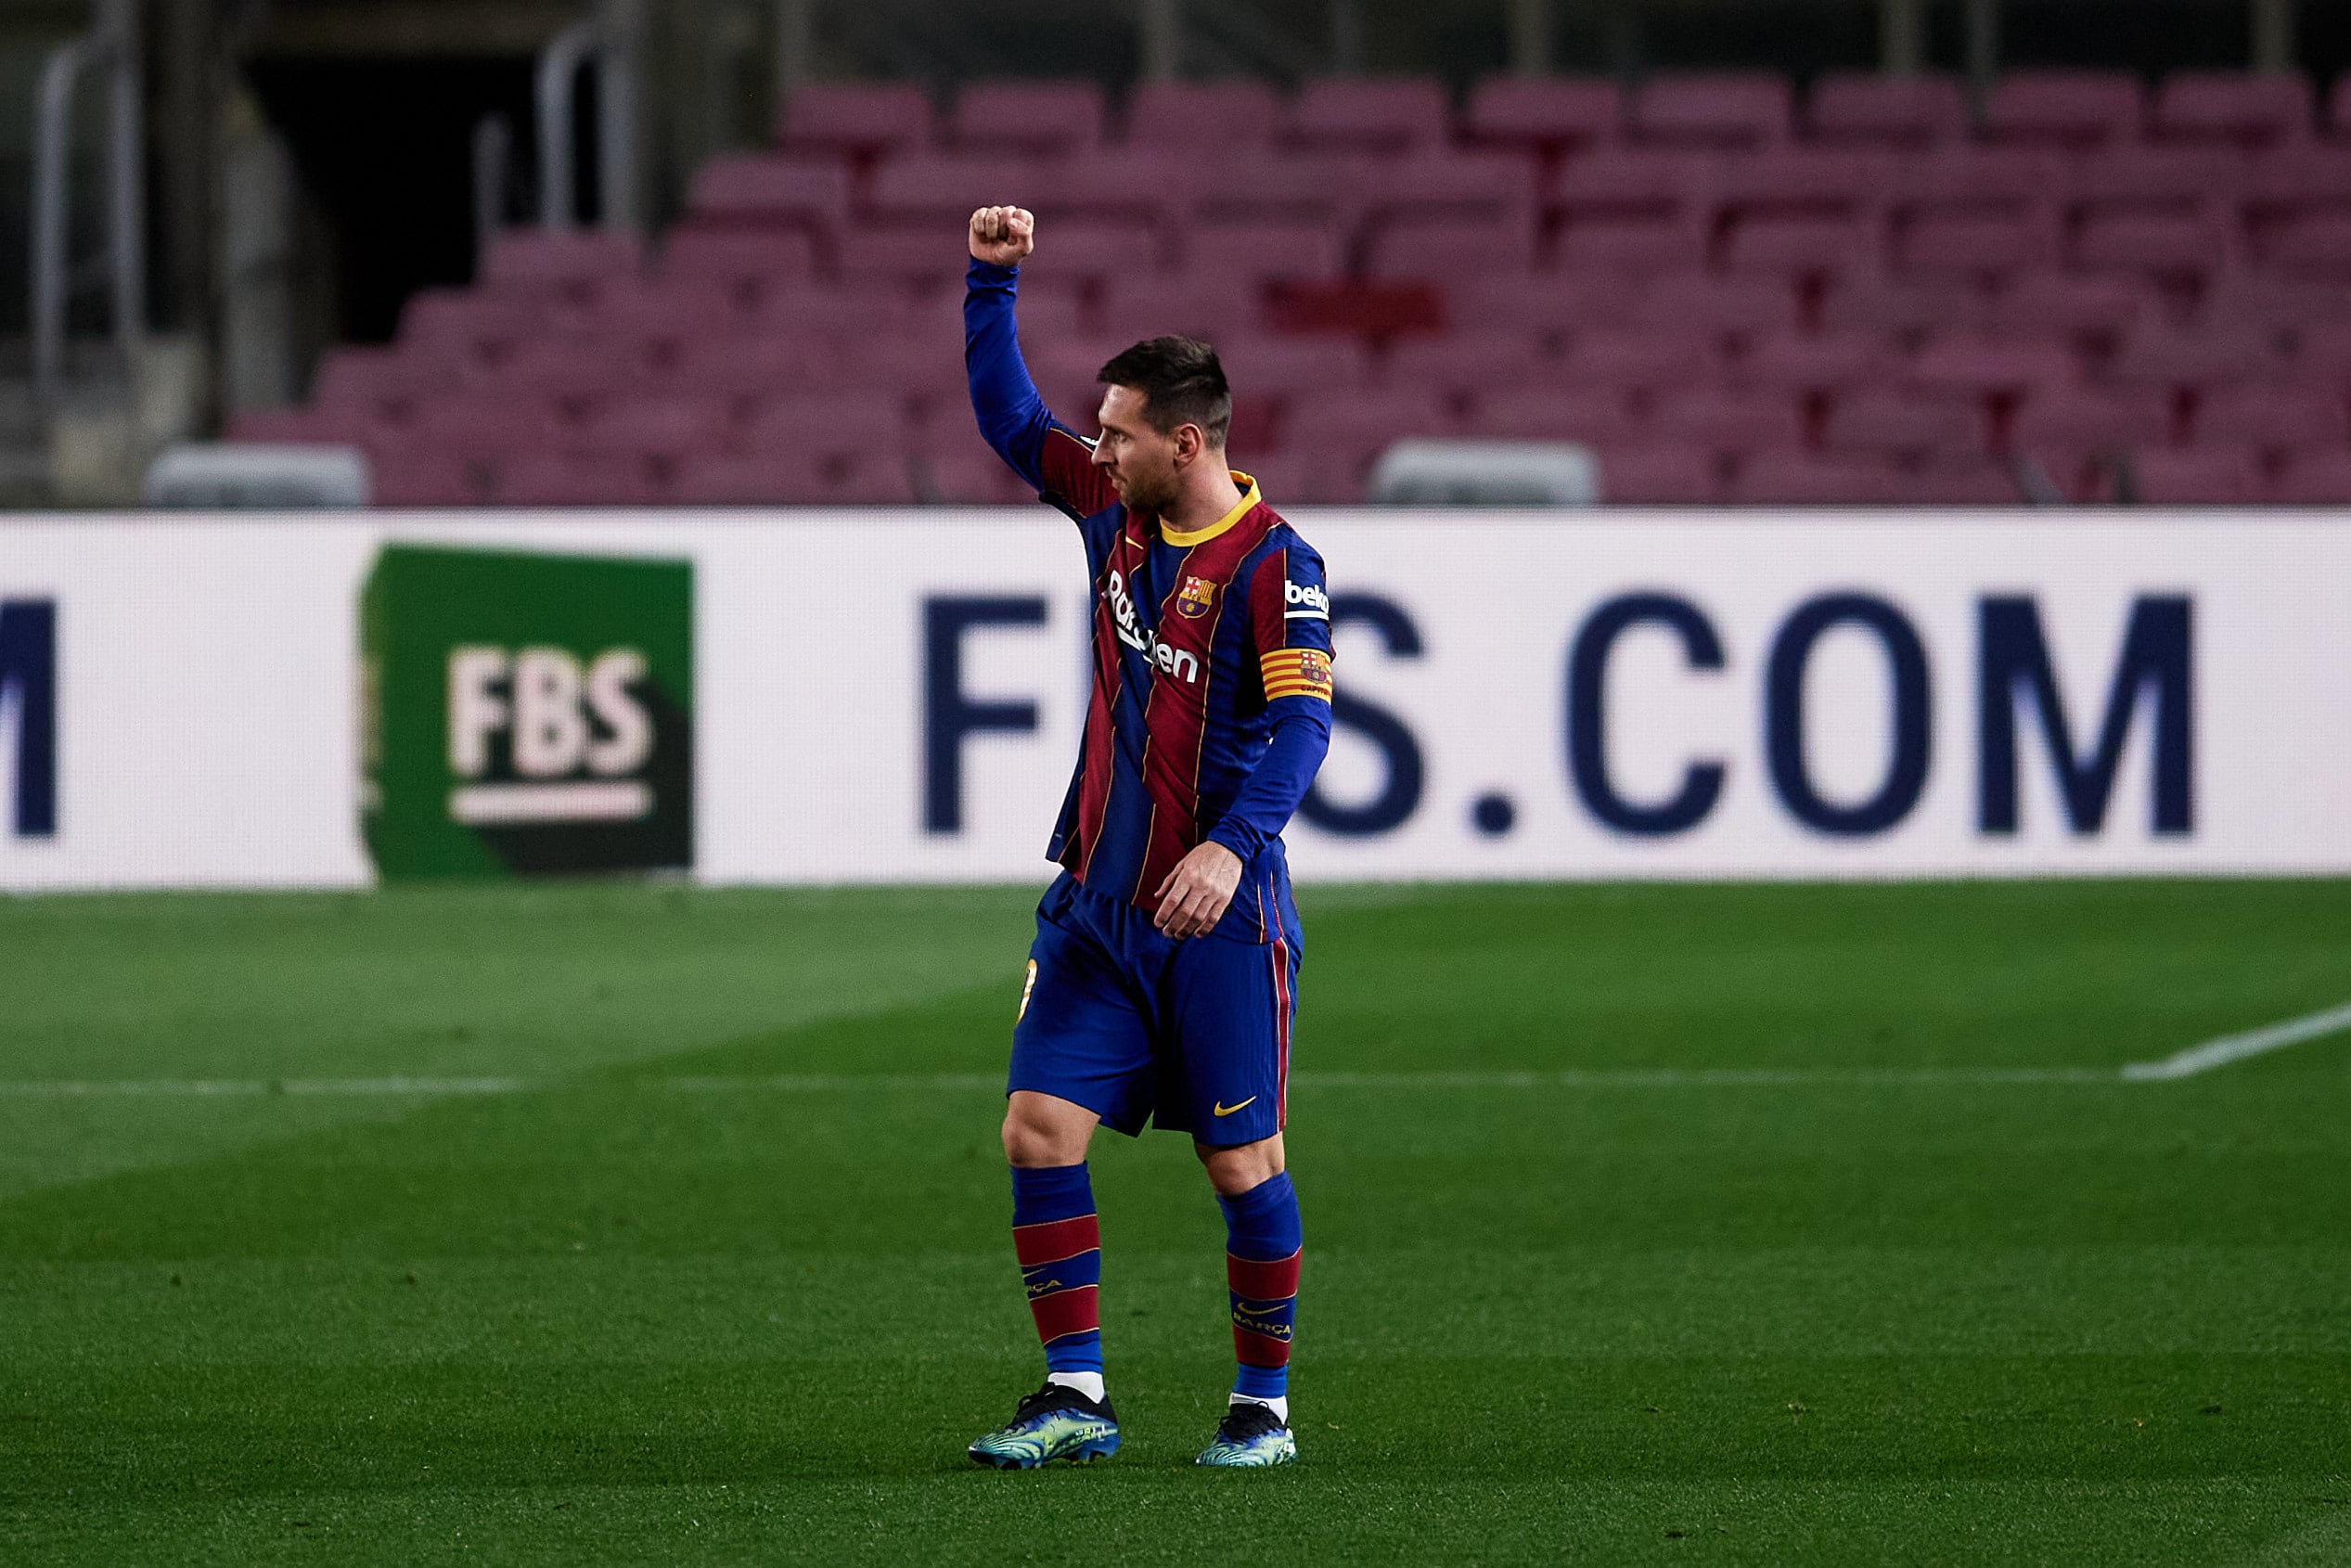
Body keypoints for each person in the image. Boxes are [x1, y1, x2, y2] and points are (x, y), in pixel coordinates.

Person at [960, 204, 1335, 1470]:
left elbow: (1301, 730)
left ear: (1186, 441)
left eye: (1117, 432)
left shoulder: (1275, 564)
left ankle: (1261, 1405)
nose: (1094, 446)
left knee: (1242, 1160)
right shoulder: (1108, 511)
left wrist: (1232, 844)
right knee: (1034, 1128)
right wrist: (988, 284)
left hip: (1219, 920)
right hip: (1097, 908)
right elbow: (1012, 422)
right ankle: (1075, 1391)